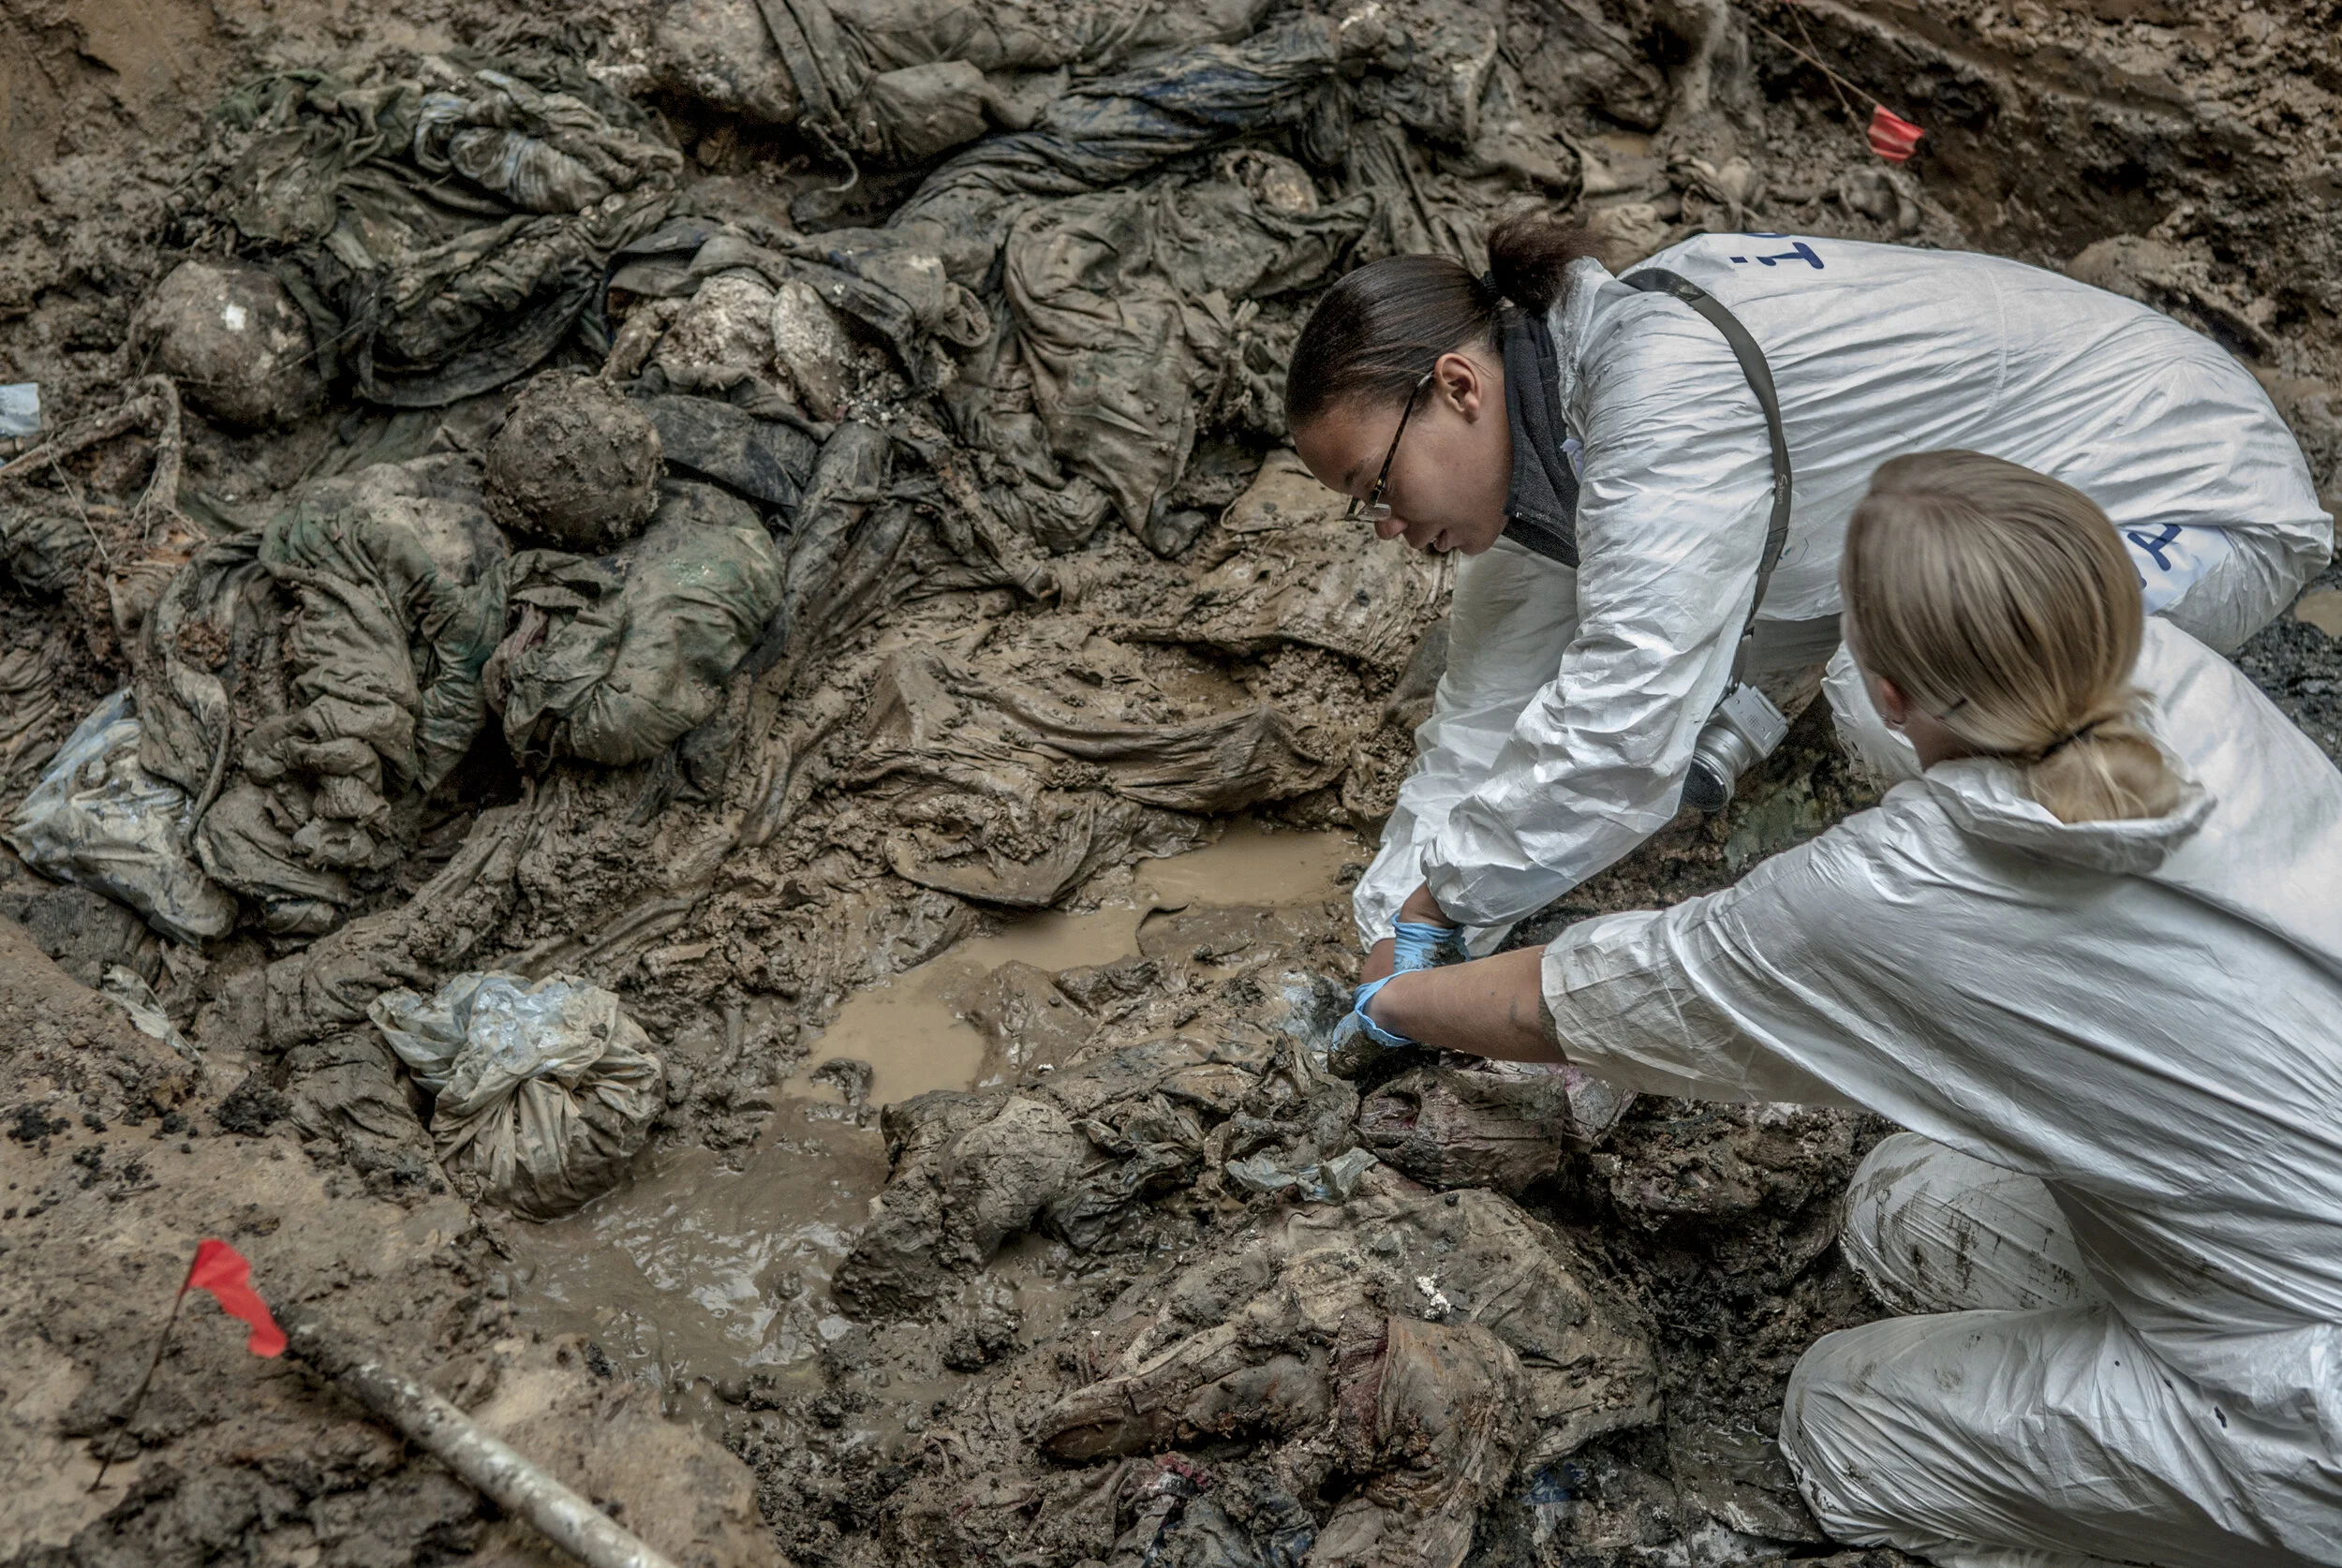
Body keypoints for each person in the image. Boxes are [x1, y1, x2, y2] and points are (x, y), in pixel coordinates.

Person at [1355, 451, 2342, 1568]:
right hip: (2288, 1222)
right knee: (1899, 1205)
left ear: (1883, 691)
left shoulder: (1897, 889)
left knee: (1838, 1421)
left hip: (2305, 1396)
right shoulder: (2183, 681)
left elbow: (1568, 1003)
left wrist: (1393, 996)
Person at [1284, 217, 2334, 984]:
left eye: (1374, 486)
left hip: (2183, 483)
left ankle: (2172, 937)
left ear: (1459, 388)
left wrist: (1446, 906)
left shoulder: (1658, 388)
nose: (1384, 525)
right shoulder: (1548, 467)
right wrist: (1389, 936)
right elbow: (1480, 727)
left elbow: (1625, 719)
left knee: (1889, 688)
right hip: (2009, 527)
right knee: (1887, 661)